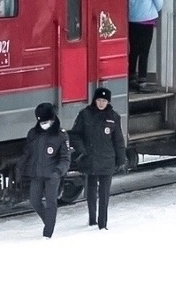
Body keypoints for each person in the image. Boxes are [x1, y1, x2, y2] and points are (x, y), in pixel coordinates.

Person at [71, 87, 127, 230]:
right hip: (89, 159)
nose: (101, 103)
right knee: (90, 191)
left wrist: (121, 159)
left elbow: (118, 140)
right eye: (99, 100)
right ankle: (92, 219)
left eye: (104, 101)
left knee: (104, 193)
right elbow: (75, 135)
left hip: (107, 159)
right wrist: (81, 150)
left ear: (108, 102)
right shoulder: (85, 115)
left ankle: (103, 224)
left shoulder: (114, 117)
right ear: (94, 100)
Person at [23, 103, 73, 239]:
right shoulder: (33, 134)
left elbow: (65, 158)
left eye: (47, 122)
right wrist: (21, 168)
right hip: (37, 174)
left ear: (53, 119)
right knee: (34, 201)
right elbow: (28, 154)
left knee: (51, 202)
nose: (44, 124)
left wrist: (58, 172)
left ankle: (48, 233)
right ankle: (49, 221)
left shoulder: (61, 135)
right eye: (41, 122)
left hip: (53, 175)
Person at [128, 0, 163, 91]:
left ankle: (131, 77)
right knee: (144, 51)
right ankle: (142, 81)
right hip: (147, 21)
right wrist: (151, 10)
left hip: (132, 21)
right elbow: (160, 3)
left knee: (133, 50)